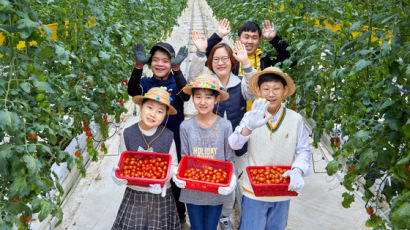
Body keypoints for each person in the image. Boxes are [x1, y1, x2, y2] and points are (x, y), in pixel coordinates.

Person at [228, 67, 312, 230]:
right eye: (266, 89)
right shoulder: (251, 117)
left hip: (281, 189)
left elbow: (303, 150)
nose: (271, 94)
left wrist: (298, 169)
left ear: (285, 90)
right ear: (258, 90)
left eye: (276, 89)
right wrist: (248, 128)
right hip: (254, 190)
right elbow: (233, 144)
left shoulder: (295, 119)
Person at [189, 30, 257, 229]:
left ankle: (226, 216)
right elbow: (192, 78)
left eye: (225, 59)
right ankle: (212, 214)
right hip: (211, 146)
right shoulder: (208, 84)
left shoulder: (241, 83)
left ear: (232, 61)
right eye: (216, 59)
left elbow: (253, 92)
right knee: (214, 181)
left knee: (232, 183)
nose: (220, 63)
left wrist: (247, 64)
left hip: (238, 148)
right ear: (210, 63)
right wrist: (200, 53)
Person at [127, 42, 189, 224]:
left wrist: (178, 70)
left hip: (174, 140)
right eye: (155, 60)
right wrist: (138, 67)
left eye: (166, 60)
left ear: (172, 63)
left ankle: (179, 217)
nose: (160, 64)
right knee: (151, 175)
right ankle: (153, 217)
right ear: (149, 62)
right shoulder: (146, 83)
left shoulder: (175, 82)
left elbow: (185, 95)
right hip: (151, 140)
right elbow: (132, 90)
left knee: (175, 180)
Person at [172, 74, 237, 230]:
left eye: (208, 97)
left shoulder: (225, 126)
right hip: (192, 190)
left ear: (216, 100)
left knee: (210, 227)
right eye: (198, 96)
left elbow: (229, 158)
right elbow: (185, 158)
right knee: (196, 227)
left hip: (216, 189)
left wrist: (232, 178)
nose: (202, 102)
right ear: (193, 99)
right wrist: (178, 173)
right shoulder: (186, 127)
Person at [111, 87, 181, 230]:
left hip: (160, 195)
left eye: (160, 111)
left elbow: (173, 164)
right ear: (141, 106)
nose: (153, 114)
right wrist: (118, 174)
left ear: (165, 116)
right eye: (150, 107)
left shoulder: (168, 136)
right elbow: (125, 163)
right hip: (135, 192)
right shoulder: (129, 133)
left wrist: (162, 180)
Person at [206, 19, 291, 76]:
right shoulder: (230, 58)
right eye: (246, 37)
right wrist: (218, 35)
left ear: (259, 40)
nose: (250, 41)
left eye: (254, 38)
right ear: (239, 39)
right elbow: (204, 56)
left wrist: (274, 39)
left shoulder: (264, 58)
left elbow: (290, 59)